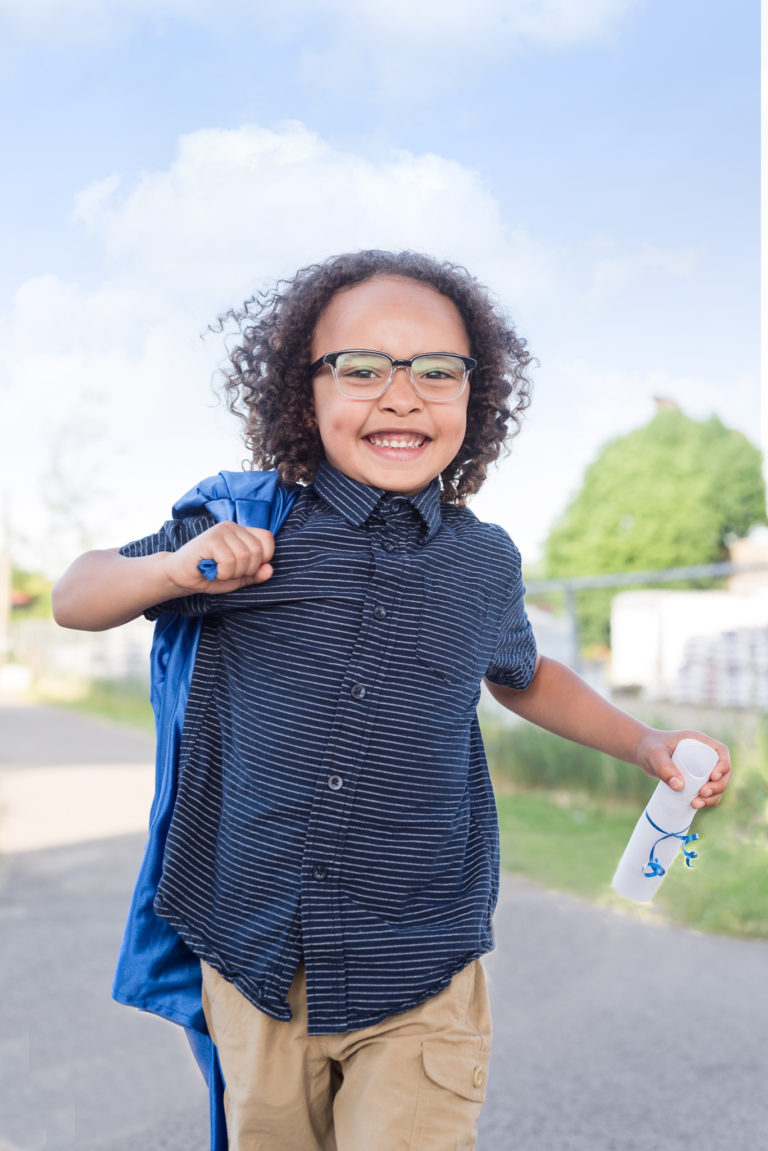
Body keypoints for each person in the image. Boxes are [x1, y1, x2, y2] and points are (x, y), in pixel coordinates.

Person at [53, 250, 732, 1151]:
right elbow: (77, 593)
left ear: (474, 400)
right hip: (254, 951)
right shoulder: (247, 526)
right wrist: (174, 568)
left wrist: (642, 741)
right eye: (363, 368)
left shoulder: (483, 559)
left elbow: (521, 672)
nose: (402, 395)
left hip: (422, 960)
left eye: (437, 371)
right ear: (304, 396)